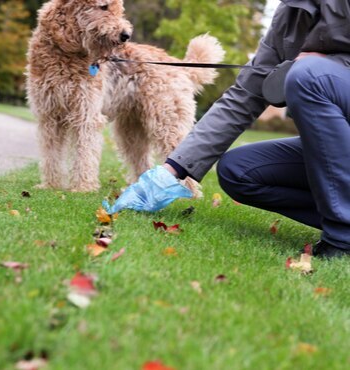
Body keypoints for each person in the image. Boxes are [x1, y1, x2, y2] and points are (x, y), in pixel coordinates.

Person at [105, 0, 350, 258]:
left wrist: (336, 63)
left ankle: (342, 237)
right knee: (239, 171)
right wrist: (171, 170)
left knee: (309, 75)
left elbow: (312, 75)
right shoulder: (290, 13)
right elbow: (246, 94)